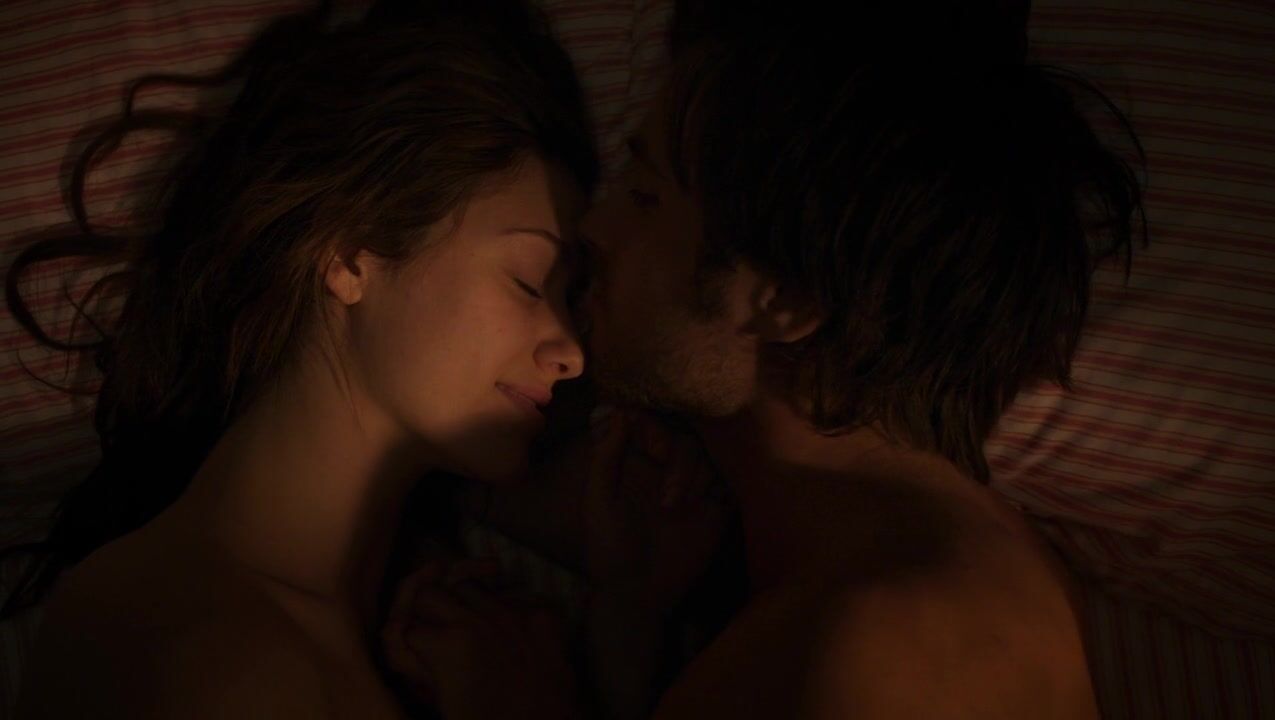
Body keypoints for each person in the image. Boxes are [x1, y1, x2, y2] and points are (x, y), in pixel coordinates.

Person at [470, 2, 1146, 718]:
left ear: (786, 299)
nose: (594, 229)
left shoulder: (889, 652)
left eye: (643, 197)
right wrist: (626, 627)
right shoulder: (915, 588)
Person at [2, 1, 600, 717]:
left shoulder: (408, 618)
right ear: (348, 255)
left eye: (572, 299)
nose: (572, 352)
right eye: (528, 281)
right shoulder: (222, 666)